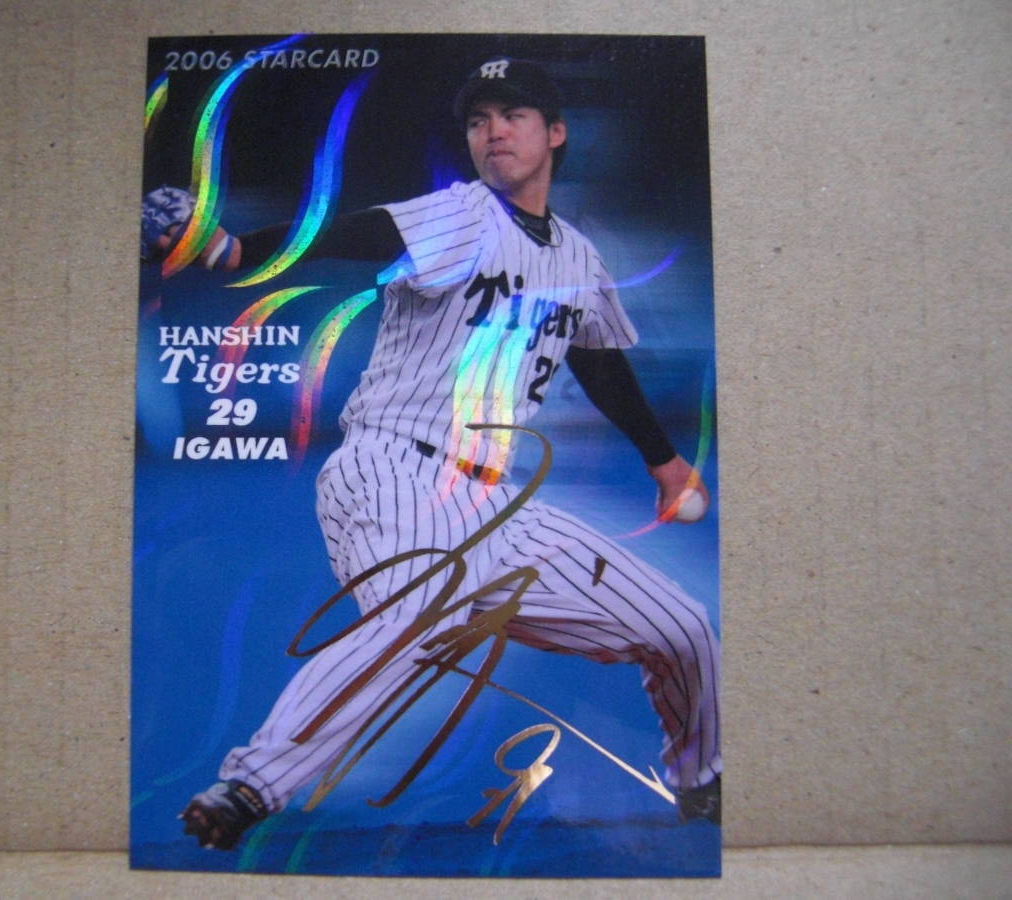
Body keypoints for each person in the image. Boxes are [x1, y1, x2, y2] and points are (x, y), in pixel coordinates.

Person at [150, 58, 721, 850]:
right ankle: (252, 785)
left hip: (496, 504)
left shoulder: (579, 259)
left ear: (555, 133)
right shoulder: (461, 215)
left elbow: (596, 359)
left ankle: (701, 781)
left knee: (681, 627)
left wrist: (663, 462)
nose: (494, 131)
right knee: (418, 615)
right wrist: (236, 249)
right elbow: (360, 234)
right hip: (394, 471)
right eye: (479, 119)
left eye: (513, 115)